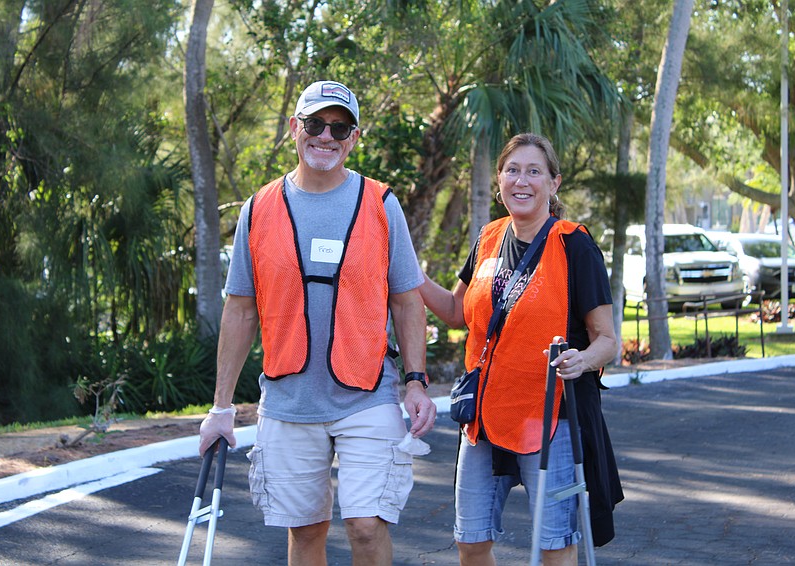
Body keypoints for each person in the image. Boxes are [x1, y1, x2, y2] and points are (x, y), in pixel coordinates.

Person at [198, 80, 437, 566]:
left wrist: (416, 382)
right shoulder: (258, 208)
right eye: (315, 124)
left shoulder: (380, 203)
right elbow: (240, 310)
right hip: (289, 401)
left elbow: (407, 302)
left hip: (367, 395)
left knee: (366, 527)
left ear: (354, 138)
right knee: (305, 531)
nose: (326, 136)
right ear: (295, 128)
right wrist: (221, 408)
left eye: (340, 128)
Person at [420, 133, 623, 565]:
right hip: (484, 416)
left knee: (554, 546)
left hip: (550, 416)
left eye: (534, 171)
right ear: (499, 180)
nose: (521, 181)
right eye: (512, 170)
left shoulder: (574, 245)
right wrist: (409, 274)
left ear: (554, 182)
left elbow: (606, 339)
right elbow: (456, 311)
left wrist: (582, 360)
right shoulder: (489, 237)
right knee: (470, 541)